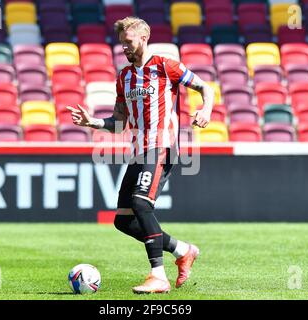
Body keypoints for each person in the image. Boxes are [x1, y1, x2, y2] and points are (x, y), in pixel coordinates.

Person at [67, 16, 214, 294]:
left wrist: (205, 110)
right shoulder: (124, 77)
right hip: (138, 151)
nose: (124, 47)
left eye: (129, 42)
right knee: (123, 220)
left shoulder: (165, 65)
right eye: (122, 43)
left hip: (162, 146)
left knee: (141, 202)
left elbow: (205, 87)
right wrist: (93, 123)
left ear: (143, 38)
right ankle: (183, 250)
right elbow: (119, 121)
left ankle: (158, 276)